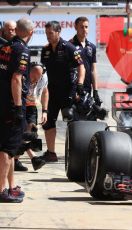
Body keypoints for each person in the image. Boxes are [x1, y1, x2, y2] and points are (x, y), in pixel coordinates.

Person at [41, 21, 85, 162]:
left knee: (71, 123)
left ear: (58, 32)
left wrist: (79, 85)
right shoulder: (45, 50)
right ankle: (51, 153)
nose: (48, 36)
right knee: (48, 123)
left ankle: (74, 155)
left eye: (51, 33)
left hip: (68, 92)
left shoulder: (70, 48)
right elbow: (43, 71)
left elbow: (81, 67)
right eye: (46, 33)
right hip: (52, 92)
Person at [0, 18, 34, 203]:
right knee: (7, 146)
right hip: (11, 104)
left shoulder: (6, 46)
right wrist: (19, 107)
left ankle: (11, 186)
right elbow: (16, 79)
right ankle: (2, 189)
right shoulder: (22, 50)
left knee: (10, 148)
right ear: (30, 32)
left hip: (2, 101)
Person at [21, 62, 48, 171]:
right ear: (28, 71)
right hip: (19, 105)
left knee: (31, 133)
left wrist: (45, 111)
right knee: (21, 133)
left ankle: (26, 159)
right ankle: (34, 158)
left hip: (32, 105)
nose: (35, 79)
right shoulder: (21, 75)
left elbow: (45, 92)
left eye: (38, 76)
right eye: (33, 76)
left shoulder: (43, 78)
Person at [69, 17, 101, 104]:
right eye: (81, 27)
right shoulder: (69, 45)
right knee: (73, 116)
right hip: (74, 88)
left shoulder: (92, 47)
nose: (84, 29)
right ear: (75, 27)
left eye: (86, 27)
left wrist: (95, 91)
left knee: (89, 116)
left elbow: (93, 70)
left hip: (87, 88)